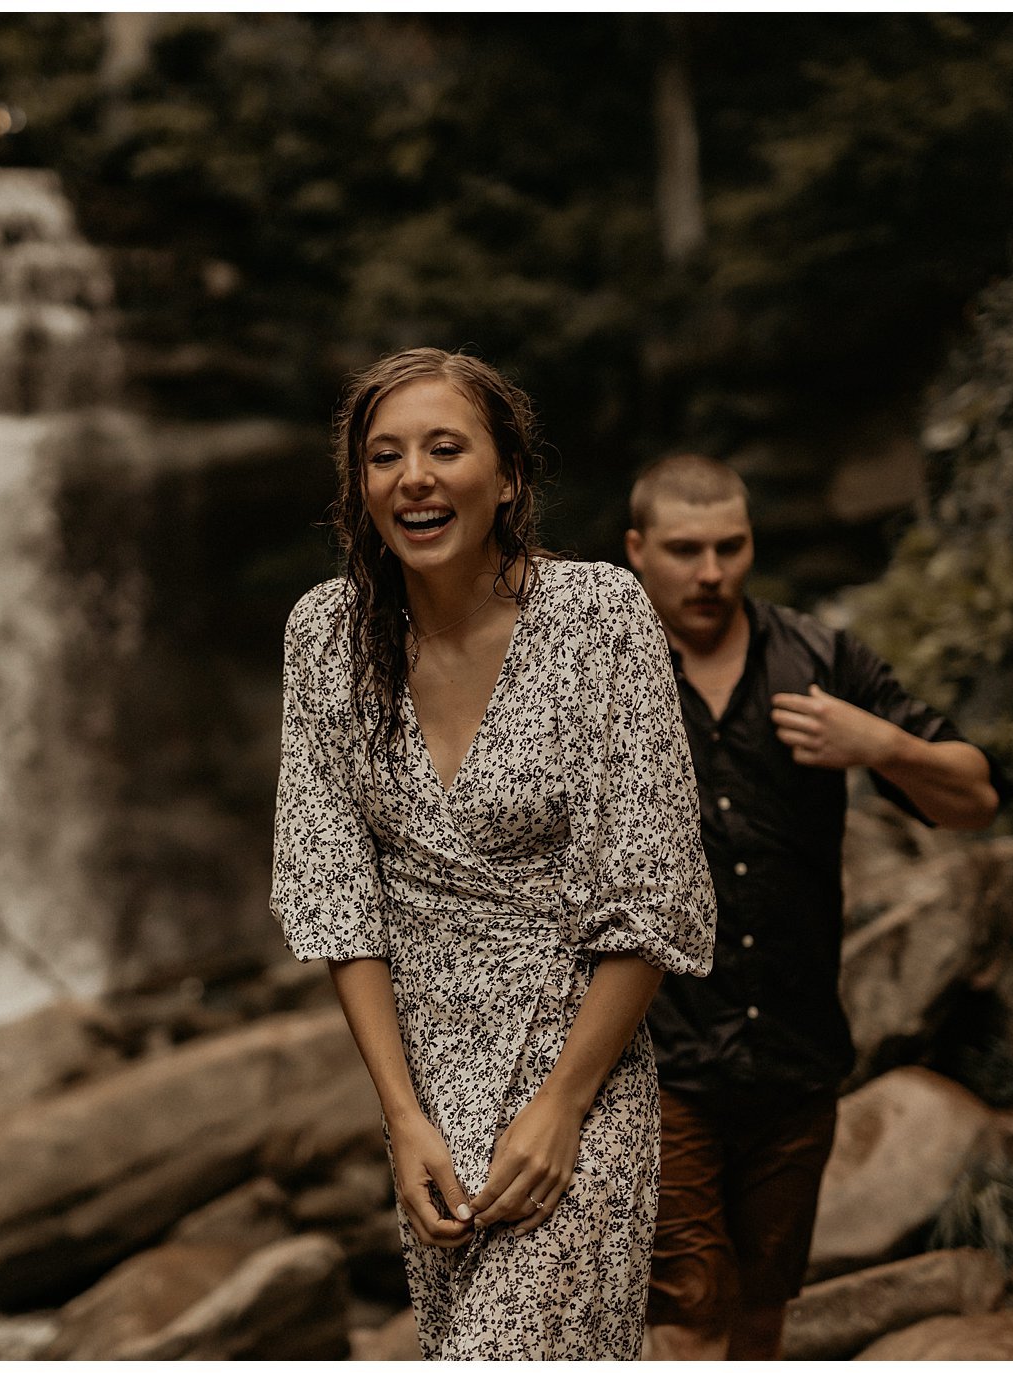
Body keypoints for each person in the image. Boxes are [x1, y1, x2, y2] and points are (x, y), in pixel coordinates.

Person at [271, 349, 718, 1359]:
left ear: (507, 475)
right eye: (383, 456)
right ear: (359, 488)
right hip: (425, 1091)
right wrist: (403, 1121)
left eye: (444, 447)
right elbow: (336, 891)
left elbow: (646, 888)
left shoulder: (597, 615)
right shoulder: (324, 637)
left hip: (577, 1074)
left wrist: (562, 1105)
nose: (412, 476)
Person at [623, 453, 1010, 1360]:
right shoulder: (598, 677)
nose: (711, 571)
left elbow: (976, 797)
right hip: (656, 1063)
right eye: (685, 549)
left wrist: (878, 743)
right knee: (687, 1310)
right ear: (638, 550)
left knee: (762, 1313)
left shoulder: (820, 660)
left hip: (795, 1056)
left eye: (731, 545)